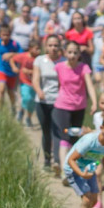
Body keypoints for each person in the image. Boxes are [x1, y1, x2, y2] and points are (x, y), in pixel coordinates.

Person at [53, 39, 97, 172]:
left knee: (74, 137)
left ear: (79, 55)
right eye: (70, 52)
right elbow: (55, 84)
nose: (72, 55)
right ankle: (64, 170)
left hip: (79, 107)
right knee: (65, 135)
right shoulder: (59, 67)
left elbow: (89, 85)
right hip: (62, 106)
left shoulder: (83, 67)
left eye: (75, 53)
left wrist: (94, 102)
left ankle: (71, 165)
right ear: (65, 53)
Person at [32, 34, 64, 173]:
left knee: (56, 131)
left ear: (60, 47)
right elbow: (35, 79)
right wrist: (39, 91)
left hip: (58, 102)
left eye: (56, 45)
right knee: (46, 131)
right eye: (50, 45)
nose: (53, 48)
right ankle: (46, 159)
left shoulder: (63, 62)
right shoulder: (39, 60)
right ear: (46, 46)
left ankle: (57, 160)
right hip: (43, 101)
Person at [0, 24, 21, 113]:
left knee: (10, 92)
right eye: (3, 35)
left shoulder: (14, 44)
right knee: (1, 89)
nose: (5, 37)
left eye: (7, 35)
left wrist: (11, 54)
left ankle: (13, 106)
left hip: (11, 70)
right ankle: (0, 110)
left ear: (10, 35)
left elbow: (21, 54)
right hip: (0, 68)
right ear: (0, 35)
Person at [11, 38, 41, 127]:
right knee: (26, 98)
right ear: (30, 48)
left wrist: (30, 72)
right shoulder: (23, 56)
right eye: (36, 48)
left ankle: (28, 117)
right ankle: (21, 111)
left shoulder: (39, 59)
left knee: (32, 102)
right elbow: (12, 59)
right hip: (24, 82)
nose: (38, 51)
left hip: (35, 83)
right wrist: (14, 67)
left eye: (39, 48)